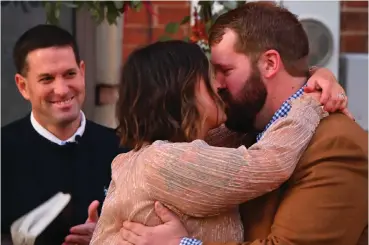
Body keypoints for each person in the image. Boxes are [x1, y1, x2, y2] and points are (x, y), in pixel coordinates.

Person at [119, 2, 368, 245]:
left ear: (270, 64)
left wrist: (183, 244)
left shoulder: (336, 145)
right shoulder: (242, 128)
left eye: (225, 70)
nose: (216, 84)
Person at [1, 24, 129, 245]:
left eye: (69, 74)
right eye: (47, 79)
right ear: (23, 86)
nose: (61, 89)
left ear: (82, 71)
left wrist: (107, 238)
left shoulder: (122, 149)